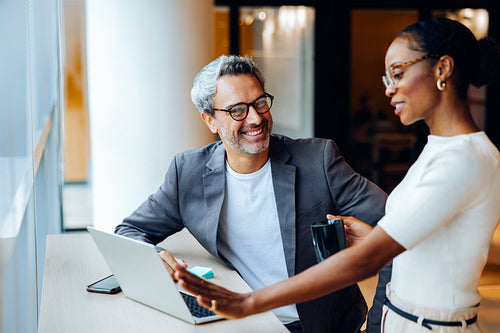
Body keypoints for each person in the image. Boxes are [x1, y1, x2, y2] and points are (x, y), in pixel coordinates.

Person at [175, 18, 500, 333]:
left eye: (397, 74)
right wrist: (376, 237)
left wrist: (248, 303)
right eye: (387, 78)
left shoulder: (464, 159)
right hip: (403, 319)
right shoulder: (440, 150)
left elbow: (367, 262)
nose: (389, 90)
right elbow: (428, 243)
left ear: (442, 69)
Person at [115, 55, 389, 333]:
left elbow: (399, 229)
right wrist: (157, 256)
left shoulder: (318, 160)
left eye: (259, 102)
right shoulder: (188, 173)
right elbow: (129, 231)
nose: (256, 118)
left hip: (319, 326)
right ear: (210, 120)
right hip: (243, 321)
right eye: (237, 110)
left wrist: (379, 327)